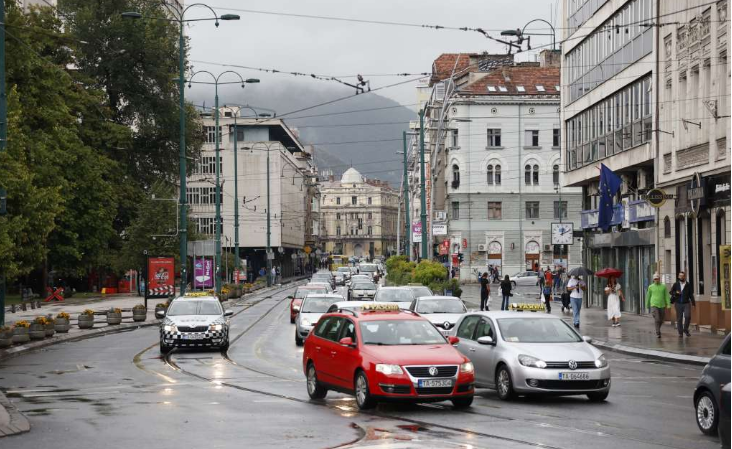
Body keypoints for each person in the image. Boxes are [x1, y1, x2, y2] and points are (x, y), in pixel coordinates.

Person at [646, 273, 671, 338]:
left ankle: (658, 329)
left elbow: (666, 296)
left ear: (659, 279)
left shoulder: (663, 287)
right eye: (655, 279)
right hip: (654, 304)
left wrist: (668, 304)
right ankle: (658, 332)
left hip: (662, 305)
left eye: (657, 279)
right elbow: (648, 296)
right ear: (653, 280)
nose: (656, 280)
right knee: (657, 319)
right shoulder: (650, 287)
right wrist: (647, 304)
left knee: (661, 319)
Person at [671, 271, 695, 337]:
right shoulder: (676, 284)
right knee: (679, 318)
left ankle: (685, 329)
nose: (681, 277)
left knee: (688, 316)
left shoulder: (688, 284)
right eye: (680, 276)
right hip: (678, 303)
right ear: (678, 277)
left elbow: (691, 295)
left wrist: (693, 303)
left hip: (686, 303)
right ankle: (680, 333)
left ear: (684, 276)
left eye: (682, 276)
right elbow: (671, 292)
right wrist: (676, 292)